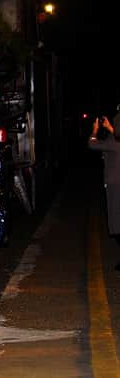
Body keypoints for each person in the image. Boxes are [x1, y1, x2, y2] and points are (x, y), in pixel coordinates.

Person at [88, 111, 120, 270]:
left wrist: (95, 130)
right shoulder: (114, 138)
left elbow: (92, 144)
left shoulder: (114, 141)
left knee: (116, 222)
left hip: (115, 185)